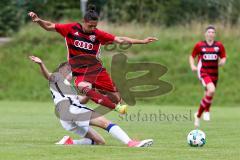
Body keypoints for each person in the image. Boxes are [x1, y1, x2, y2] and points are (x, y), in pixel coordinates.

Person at [28, 5, 158, 114]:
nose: (93, 29)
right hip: (80, 72)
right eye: (90, 26)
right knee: (82, 86)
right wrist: (38, 20)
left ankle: (108, 94)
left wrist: (142, 41)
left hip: (97, 70)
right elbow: (50, 26)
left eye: (95, 26)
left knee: (116, 98)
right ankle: (109, 103)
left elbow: (119, 39)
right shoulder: (71, 29)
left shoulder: (97, 34)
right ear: (84, 22)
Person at [29, 55, 153, 147]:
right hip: (72, 111)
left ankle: (69, 142)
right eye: (70, 69)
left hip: (66, 116)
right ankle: (131, 143)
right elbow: (48, 76)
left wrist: (91, 91)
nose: (73, 72)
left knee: (99, 142)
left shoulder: (67, 86)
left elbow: (81, 101)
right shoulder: (58, 77)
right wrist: (41, 64)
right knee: (106, 123)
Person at [189, 25, 226, 128]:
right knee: (211, 90)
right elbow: (192, 56)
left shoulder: (219, 45)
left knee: (209, 93)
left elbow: (223, 57)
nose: (211, 34)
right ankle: (202, 114)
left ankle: (202, 113)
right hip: (203, 72)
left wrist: (222, 62)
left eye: (213, 32)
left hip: (214, 73)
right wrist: (192, 65)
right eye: (209, 32)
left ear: (215, 34)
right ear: (205, 34)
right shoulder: (200, 45)